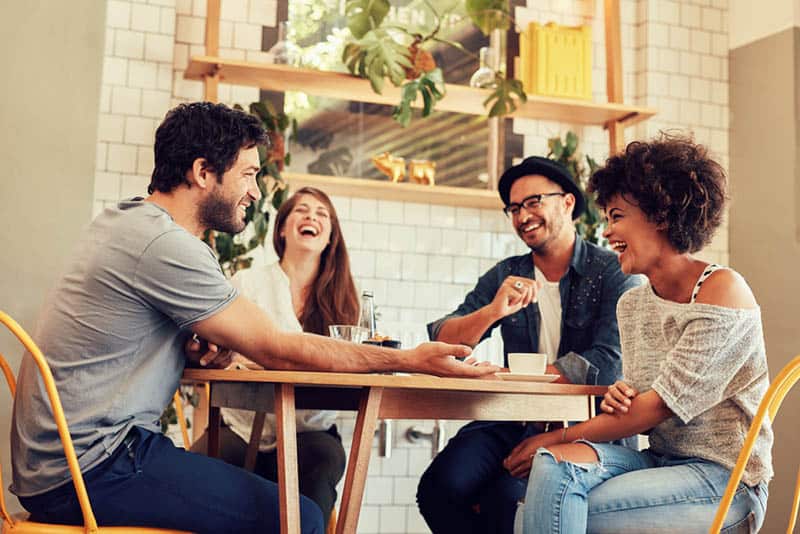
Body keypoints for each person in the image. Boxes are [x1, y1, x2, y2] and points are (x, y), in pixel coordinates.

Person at [9, 102, 498, 534]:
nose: (256, 192)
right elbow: (275, 346)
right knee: (301, 520)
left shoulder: (128, 223)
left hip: (60, 462)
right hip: (93, 467)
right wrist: (410, 359)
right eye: (247, 174)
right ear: (203, 172)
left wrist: (192, 346)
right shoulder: (166, 245)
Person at [511, 135, 772, 533]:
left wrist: (557, 435)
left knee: (550, 506)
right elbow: (643, 411)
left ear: (660, 215)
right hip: (660, 460)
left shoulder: (723, 291)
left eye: (616, 216)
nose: (607, 231)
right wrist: (622, 396)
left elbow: (654, 409)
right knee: (553, 467)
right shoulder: (632, 304)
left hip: (726, 482)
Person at [417, 156, 640, 533]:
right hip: (512, 417)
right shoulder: (508, 273)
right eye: (515, 208)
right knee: (439, 488)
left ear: (568, 203)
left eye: (534, 202)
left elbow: (609, 362)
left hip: (589, 425)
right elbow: (442, 338)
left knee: (505, 501)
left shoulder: (613, 272)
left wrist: (524, 378)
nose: (523, 216)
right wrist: (491, 311)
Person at [190, 186, 356, 530]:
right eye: (302, 210)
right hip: (241, 425)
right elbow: (219, 356)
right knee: (196, 469)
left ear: (330, 237)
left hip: (311, 431)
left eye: (322, 214)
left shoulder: (345, 301)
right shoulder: (246, 283)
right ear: (282, 228)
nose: (312, 217)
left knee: (324, 462)